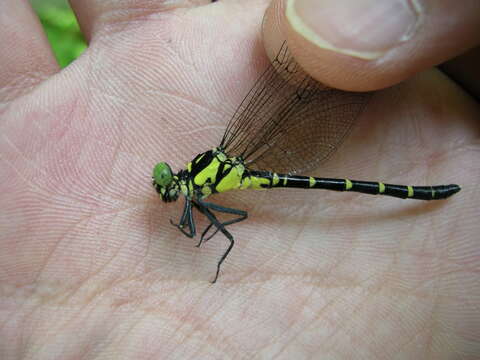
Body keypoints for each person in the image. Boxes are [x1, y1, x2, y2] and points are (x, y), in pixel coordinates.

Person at [1, 0, 478, 358]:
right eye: (168, 188)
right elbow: (220, 218)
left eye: (170, 188)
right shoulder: (200, 188)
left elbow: (217, 222)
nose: (169, 193)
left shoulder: (197, 191)